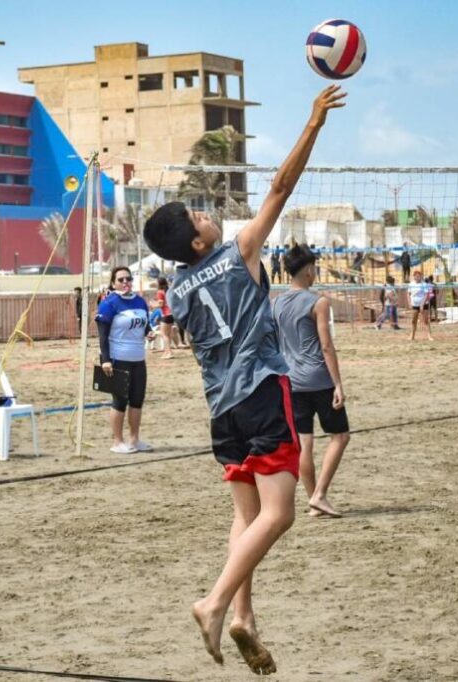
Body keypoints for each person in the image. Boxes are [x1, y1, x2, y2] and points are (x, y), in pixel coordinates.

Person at [143, 84, 345, 674]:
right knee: (280, 514)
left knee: (246, 515)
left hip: (221, 412)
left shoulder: (177, 290)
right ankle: (214, 602)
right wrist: (313, 124)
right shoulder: (238, 253)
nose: (208, 214)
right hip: (261, 392)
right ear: (199, 240)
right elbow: (281, 187)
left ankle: (244, 617)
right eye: (199, 215)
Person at [273, 245, 350, 519]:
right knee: (340, 436)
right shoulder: (318, 301)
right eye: (315, 267)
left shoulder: (277, 302)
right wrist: (338, 384)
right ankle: (319, 495)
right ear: (308, 270)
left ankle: (313, 500)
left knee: (305, 444)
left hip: (290, 381)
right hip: (318, 378)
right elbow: (326, 346)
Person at [96, 266, 152, 454]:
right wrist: (105, 359)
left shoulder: (140, 301)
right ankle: (117, 441)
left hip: (138, 358)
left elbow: (144, 325)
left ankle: (134, 439)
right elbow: (102, 335)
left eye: (128, 279)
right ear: (113, 283)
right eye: (120, 280)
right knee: (120, 401)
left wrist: (149, 332)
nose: (125, 282)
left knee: (137, 400)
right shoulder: (109, 303)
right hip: (118, 358)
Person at [408, 270, 433, 341]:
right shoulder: (411, 284)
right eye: (416, 276)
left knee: (425, 321)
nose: (417, 277)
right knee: (413, 320)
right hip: (414, 304)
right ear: (414, 277)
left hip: (423, 304)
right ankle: (412, 335)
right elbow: (408, 294)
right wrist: (409, 302)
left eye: (419, 276)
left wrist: (422, 304)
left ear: (421, 277)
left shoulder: (424, 284)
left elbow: (426, 295)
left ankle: (429, 336)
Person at [154, 277, 175, 359]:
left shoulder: (160, 292)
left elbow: (161, 304)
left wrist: (152, 305)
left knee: (164, 334)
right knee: (168, 334)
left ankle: (169, 352)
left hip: (165, 314)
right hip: (171, 313)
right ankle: (166, 352)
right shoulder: (168, 290)